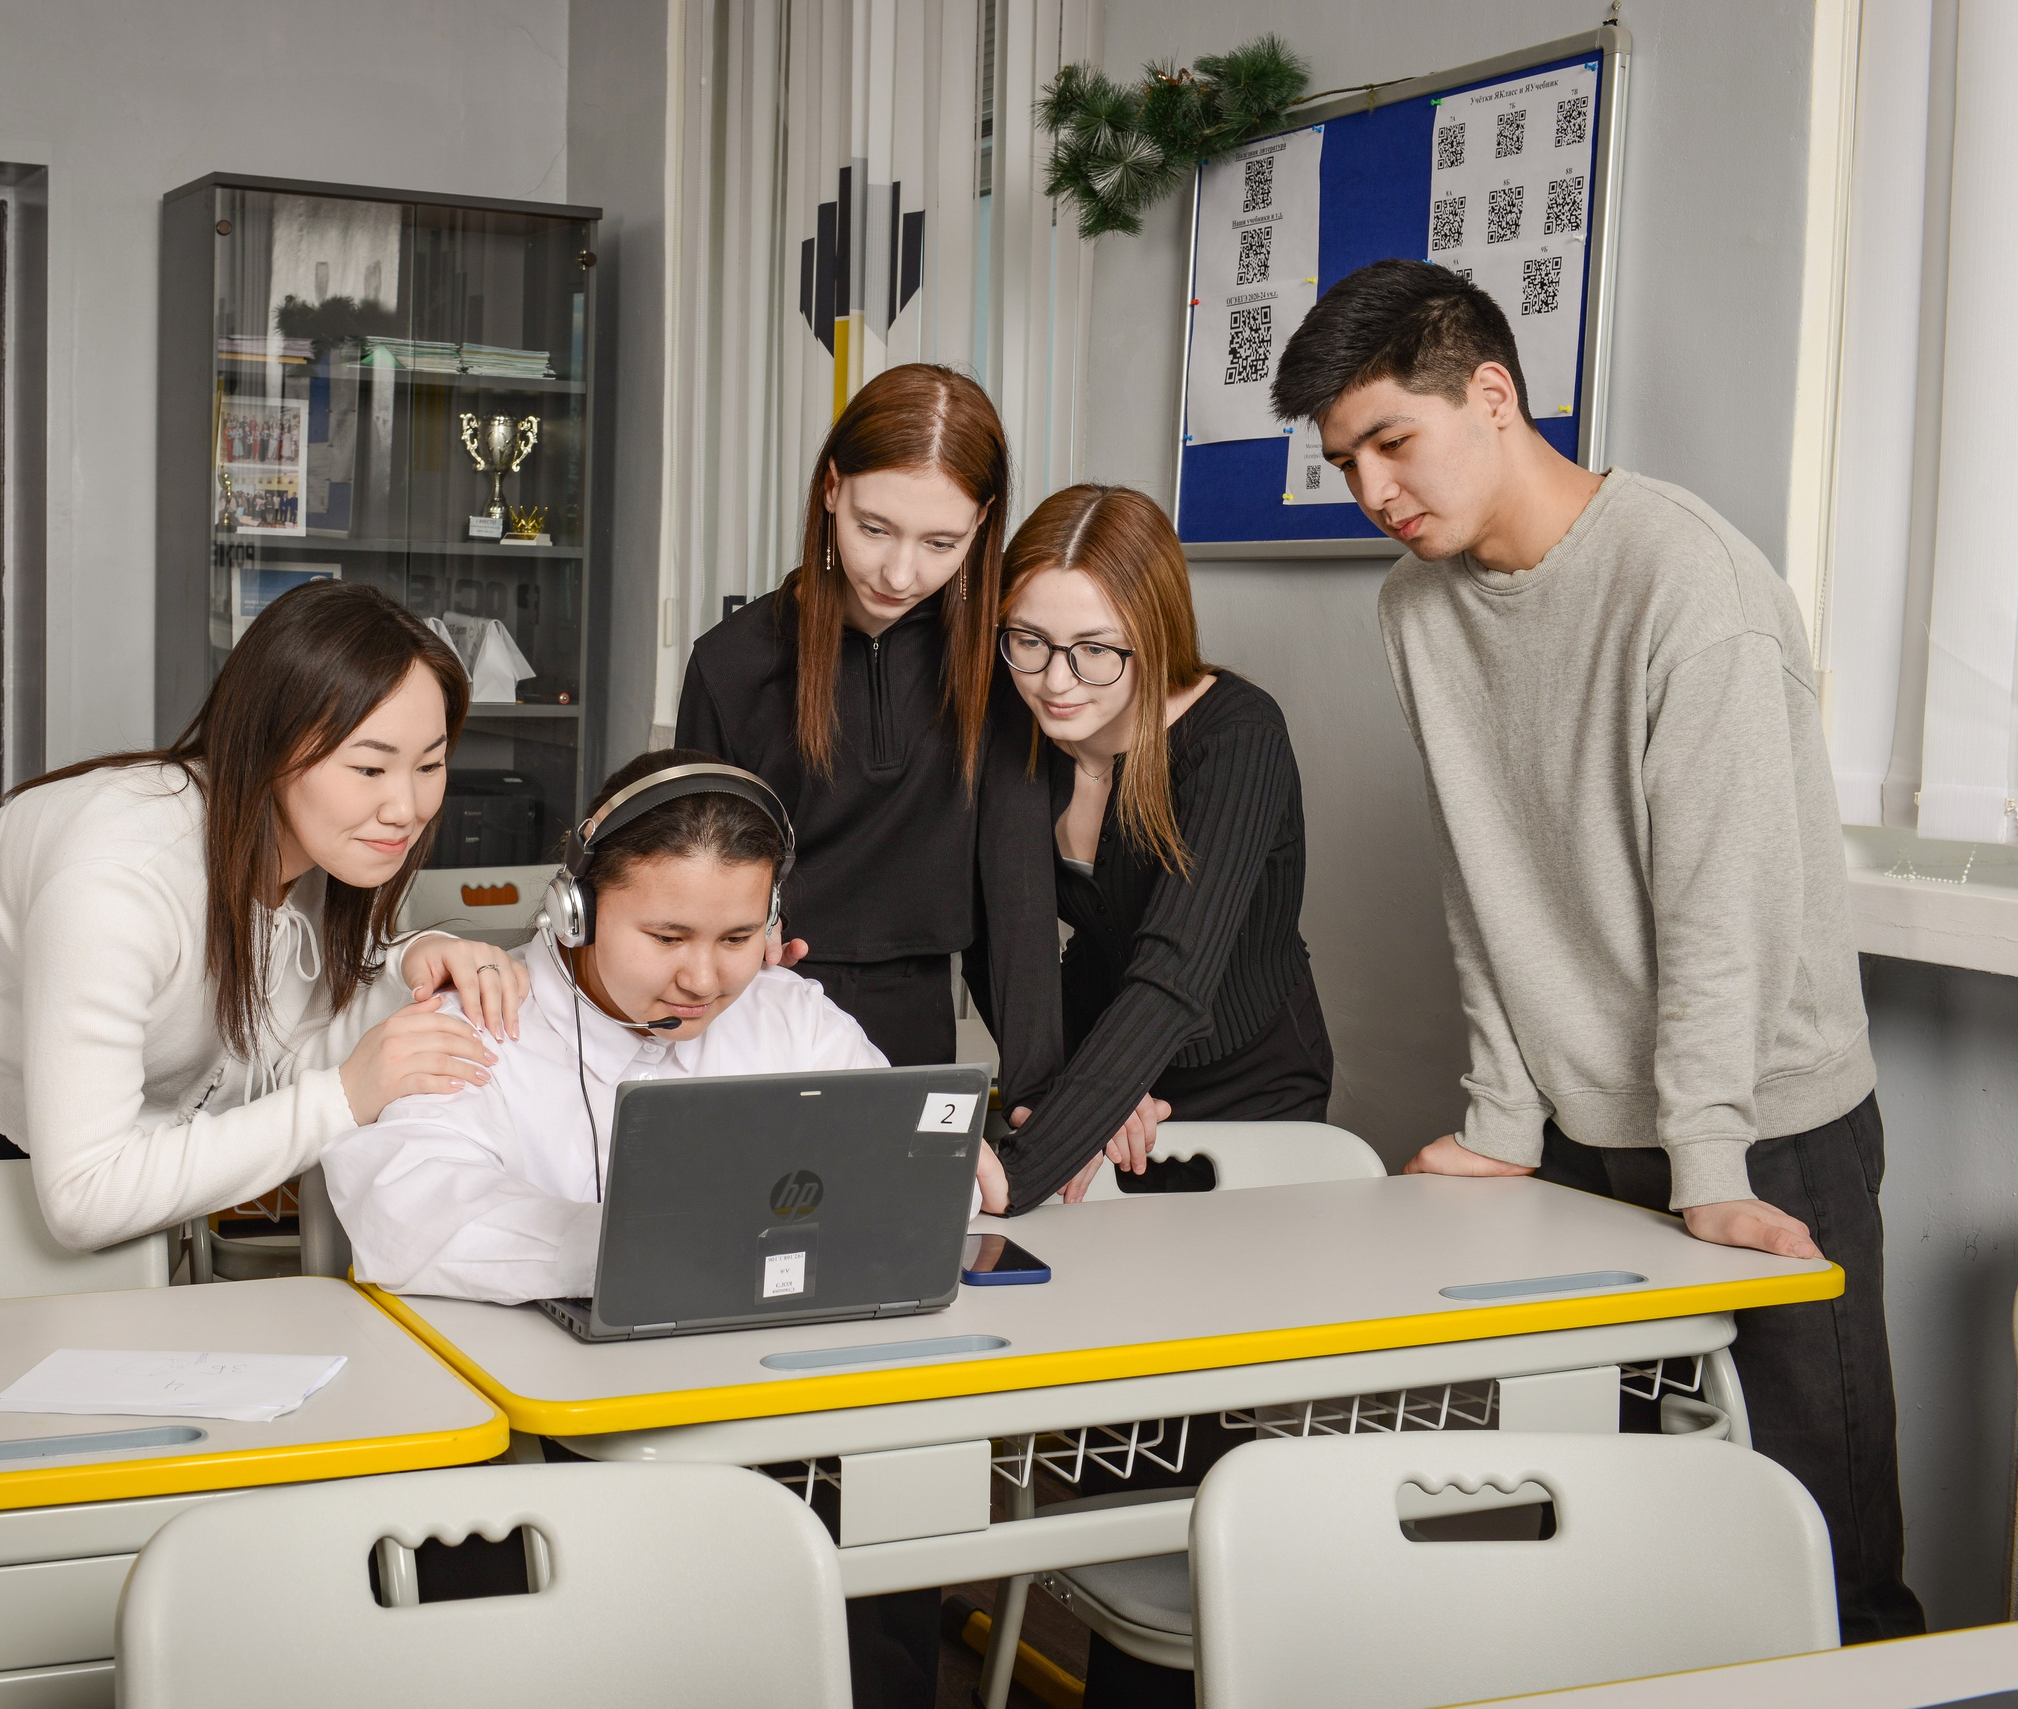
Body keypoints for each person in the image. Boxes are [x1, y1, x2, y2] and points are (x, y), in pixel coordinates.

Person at [1270, 256, 1924, 1642]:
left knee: (1822, 1554)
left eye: (1393, 439)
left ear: (1492, 394)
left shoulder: (1689, 585)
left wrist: (1710, 1160)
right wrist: (1504, 1121)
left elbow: (1719, 904)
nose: (1375, 491)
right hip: (1576, 1137)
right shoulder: (1418, 606)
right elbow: (1485, 877)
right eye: (1344, 462)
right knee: (1602, 1555)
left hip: (1763, 1131)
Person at [326, 749, 1004, 1709]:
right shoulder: (482, 1019)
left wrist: (935, 1171)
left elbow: (928, 1191)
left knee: (876, 1578)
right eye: (667, 933)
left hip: (782, 1426)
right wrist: (646, 1240)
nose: (703, 975)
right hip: (571, 1446)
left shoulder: (786, 1012)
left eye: (738, 935)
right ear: (579, 905)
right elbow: (406, 1215)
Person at [0, 581, 532, 1254]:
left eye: (431, 763)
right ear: (272, 744)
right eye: (369, 766)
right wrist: (346, 1097)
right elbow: (87, 1193)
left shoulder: (324, 848)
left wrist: (412, 963)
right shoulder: (121, 871)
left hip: (47, 1136)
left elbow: (274, 1061)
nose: (407, 805)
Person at [675, 363, 1060, 1094]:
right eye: (873, 528)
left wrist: (1043, 1090)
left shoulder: (1002, 660)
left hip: (918, 1014)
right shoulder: (732, 663)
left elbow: (1017, 899)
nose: (900, 573)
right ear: (830, 490)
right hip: (757, 1009)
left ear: (982, 522)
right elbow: (687, 875)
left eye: (941, 543)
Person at [986, 484, 1329, 1219]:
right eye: (1028, 640)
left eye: (1096, 650)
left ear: (1157, 631)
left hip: (1246, 1080)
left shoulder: (1235, 739)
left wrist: (1023, 1171)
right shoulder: (1016, 728)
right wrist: (1059, 1087)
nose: (1053, 680)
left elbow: (1173, 976)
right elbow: (997, 929)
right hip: (1092, 1063)